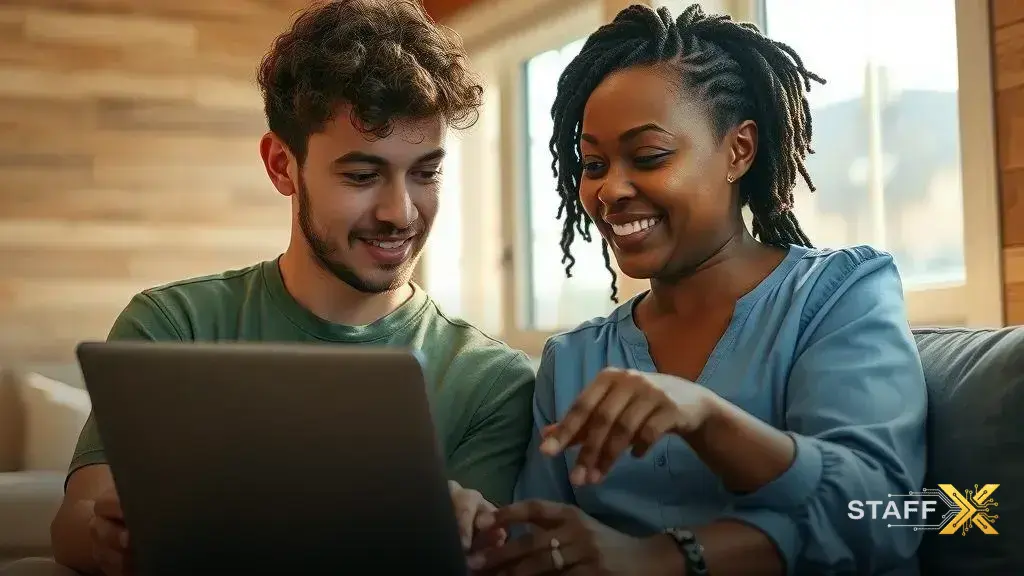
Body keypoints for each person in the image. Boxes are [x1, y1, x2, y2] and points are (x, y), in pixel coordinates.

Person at [33, 2, 533, 576]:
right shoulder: (174, 325)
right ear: (280, 166)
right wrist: (109, 538)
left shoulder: (493, 381)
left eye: (426, 173)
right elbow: (74, 522)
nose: (401, 212)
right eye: (362, 175)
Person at [467, 4, 927, 576]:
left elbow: (884, 514)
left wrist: (705, 424)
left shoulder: (838, 296)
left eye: (650, 156)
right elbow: (539, 542)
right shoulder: (575, 360)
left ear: (739, 150)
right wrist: (477, 527)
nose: (610, 189)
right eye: (592, 164)